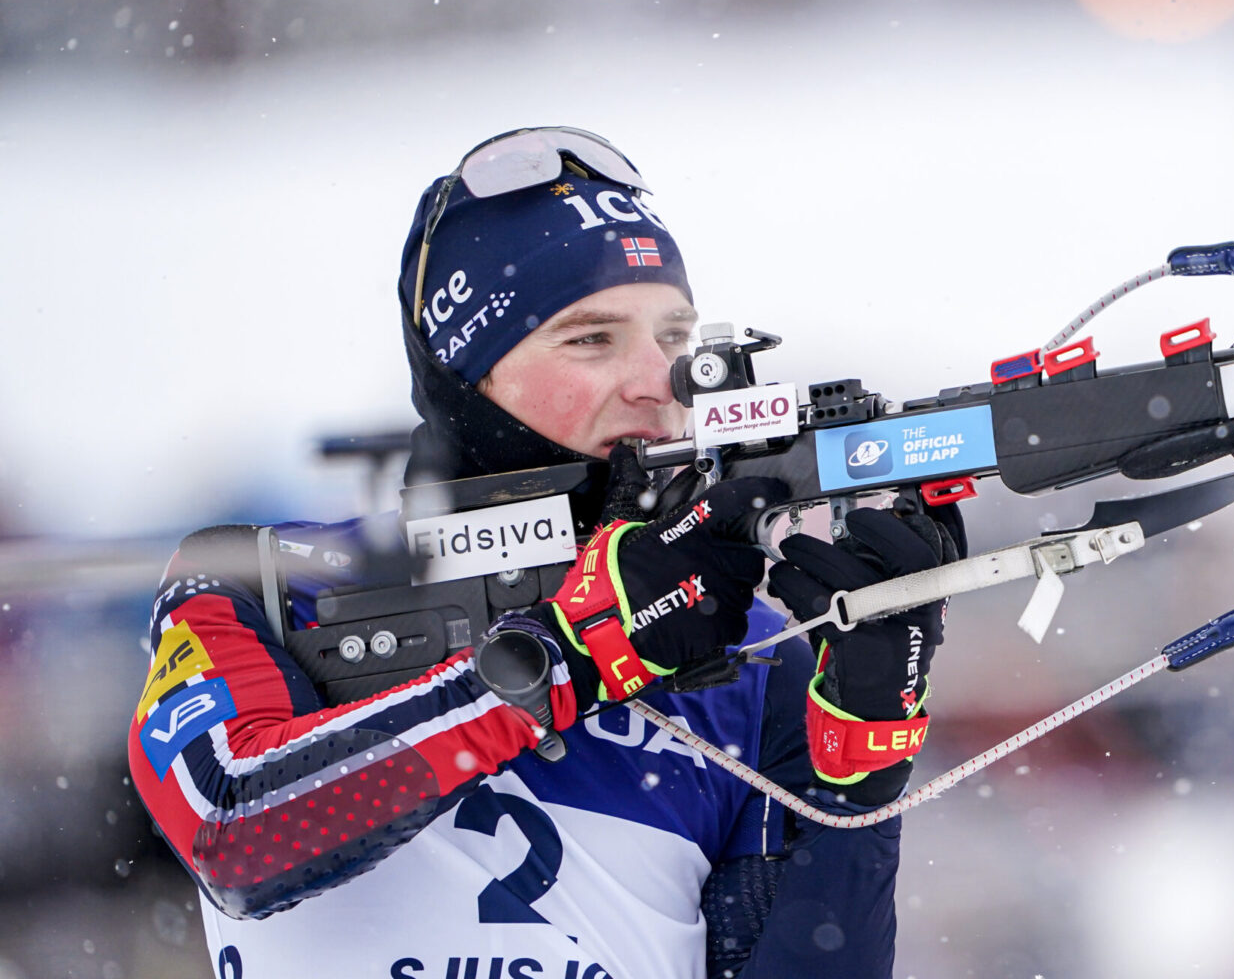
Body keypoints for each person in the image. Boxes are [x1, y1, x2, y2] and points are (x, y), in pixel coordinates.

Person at [127, 126, 963, 979]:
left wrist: (861, 778)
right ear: (467, 375)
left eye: (675, 338)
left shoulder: (748, 661)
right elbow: (233, 828)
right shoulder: (264, 585)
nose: (656, 381)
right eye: (591, 338)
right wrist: (565, 658)